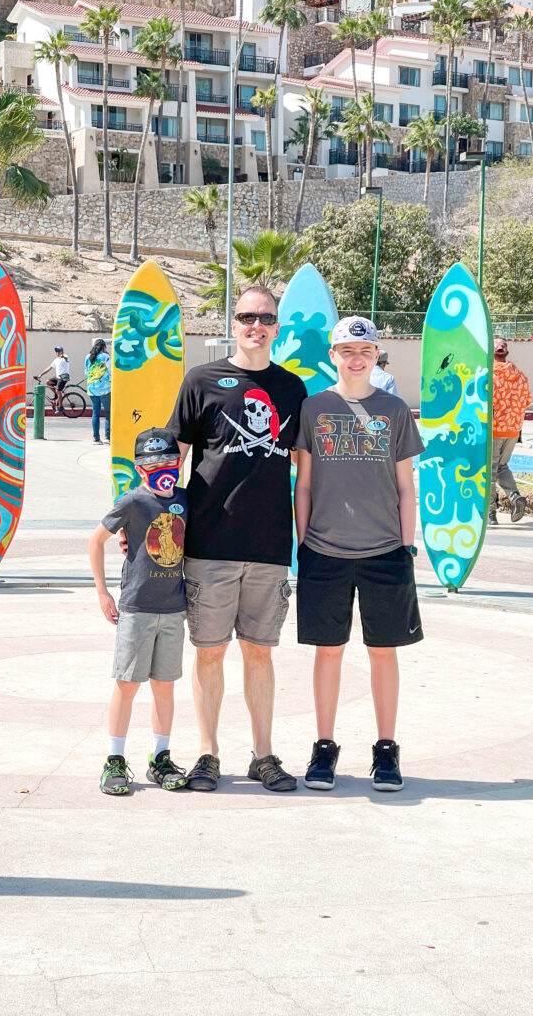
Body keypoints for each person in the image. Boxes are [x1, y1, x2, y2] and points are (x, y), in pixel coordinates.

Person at [167, 286, 307, 792]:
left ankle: (263, 755)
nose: (256, 325)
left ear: (277, 325)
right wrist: (152, 523)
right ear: (234, 321)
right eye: (247, 316)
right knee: (208, 652)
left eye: (266, 317)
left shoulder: (293, 390)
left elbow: (307, 472)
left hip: (270, 545)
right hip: (209, 543)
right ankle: (207, 753)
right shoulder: (201, 381)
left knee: (260, 652)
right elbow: (171, 458)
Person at [294, 315, 425, 792]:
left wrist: (406, 545)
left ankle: (386, 749)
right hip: (324, 551)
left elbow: (405, 486)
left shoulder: (394, 410)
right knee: (328, 652)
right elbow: (303, 484)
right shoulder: (314, 409)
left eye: (365, 351)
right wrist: (305, 543)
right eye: (346, 350)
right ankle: (324, 748)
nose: (355, 359)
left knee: (383, 652)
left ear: (376, 357)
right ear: (333, 355)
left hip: (385, 551)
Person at [89, 428, 189, 795]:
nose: (163, 469)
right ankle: (114, 760)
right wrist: (103, 593)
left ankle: (160, 757)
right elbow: (95, 541)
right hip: (136, 608)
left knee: (165, 686)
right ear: (139, 467)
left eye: (169, 461)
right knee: (127, 684)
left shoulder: (184, 499)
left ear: (179, 463)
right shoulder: (132, 501)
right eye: (153, 463)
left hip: (173, 609)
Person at [490, 337, 532, 526]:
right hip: (513, 429)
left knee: (490, 471)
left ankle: (490, 513)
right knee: (502, 466)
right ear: (506, 353)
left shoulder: (489, 375)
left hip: (494, 429)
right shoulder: (521, 376)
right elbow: (527, 400)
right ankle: (514, 497)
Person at [85, 338, 111, 444]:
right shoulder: (106, 357)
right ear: (103, 347)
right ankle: (107, 437)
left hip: (92, 388)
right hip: (104, 388)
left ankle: (96, 438)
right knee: (108, 412)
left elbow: (86, 373)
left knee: (95, 413)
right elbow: (110, 371)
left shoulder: (88, 357)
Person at [37, 345, 70, 413]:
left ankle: (60, 407)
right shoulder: (56, 360)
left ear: (62, 351)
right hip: (58, 377)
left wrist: (63, 356)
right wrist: (41, 374)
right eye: (56, 351)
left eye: (59, 351)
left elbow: (67, 360)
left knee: (58, 391)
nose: (57, 352)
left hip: (64, 377)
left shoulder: (66, 357)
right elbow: (49, 368)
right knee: (48, 382)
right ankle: (58, 395)